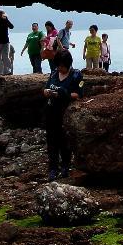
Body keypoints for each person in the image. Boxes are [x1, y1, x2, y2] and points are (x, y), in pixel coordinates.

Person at [42, 50, 83, 181]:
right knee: (51, 141)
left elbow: (78, 94)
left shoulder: (76, 75)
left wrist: (63, 93)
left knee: (64, 141)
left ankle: (65, 165)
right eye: (58, 66)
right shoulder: (54, 73)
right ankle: (53, 168)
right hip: (51, 110)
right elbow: (45, 89)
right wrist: (48, 92)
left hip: (65, 112)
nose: (59, 68)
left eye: (61, 66)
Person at [0, 10, 14, 79]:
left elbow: (11, 26)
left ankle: (7, 70)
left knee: (5, 57)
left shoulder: (5, 21)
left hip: (5, 42)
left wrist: (6, 19)